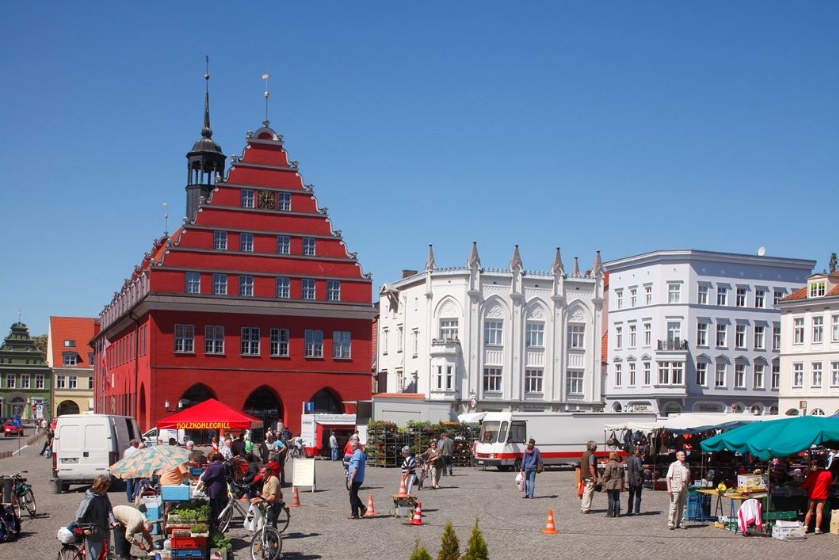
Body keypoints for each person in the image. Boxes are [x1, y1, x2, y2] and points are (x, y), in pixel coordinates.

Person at [76, 474, 117, 560]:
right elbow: (80, 516)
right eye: (107, 487)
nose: (107, 489)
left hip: (104, 530)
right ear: (101, 486)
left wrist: (113, 521)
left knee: (104, 554)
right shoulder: (91, 499)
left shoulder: (104, 495)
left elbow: (109, 509)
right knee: (94, 557)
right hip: (94, 532)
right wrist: (84, 529)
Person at [802, 456, 834, 534]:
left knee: (809, 511)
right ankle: (817, 528)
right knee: (819, 511)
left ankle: (806, 527)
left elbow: (805, 485)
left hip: (812, 494)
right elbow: (830, 483)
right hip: (822, 494)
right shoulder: (828, 474)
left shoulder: (812, 474)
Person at [200, 452, 228, 530]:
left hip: (213, 488)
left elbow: (205, 478)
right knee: (220, 506)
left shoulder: (211, 467)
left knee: (214, 507)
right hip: (222, 488)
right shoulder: (222, 465)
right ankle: (220, 521)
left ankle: (215, 524)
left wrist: (202, 478)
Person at [251, 463, 283, 528]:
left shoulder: (273, 480)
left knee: (270, 527)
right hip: (267, 506)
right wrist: (256, 498)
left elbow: (272, 497)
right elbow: (265, 495)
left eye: (263, 473)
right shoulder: (266, 480)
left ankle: (274, 538)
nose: (261, 475)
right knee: (265, 526)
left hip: (273, 506)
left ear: (269, 472)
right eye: (260, 473)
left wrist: (260, 501)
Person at [666, 450, 690, 530]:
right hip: (675, 487)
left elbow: (688, 475)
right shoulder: (673, 465)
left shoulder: (686, 465)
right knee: (674, 505)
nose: (684, 456)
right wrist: (669, 488)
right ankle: (671, 523)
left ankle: (680, 522)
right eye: (682, 455)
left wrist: (688, 483)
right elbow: (668, 477)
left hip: (684, 486)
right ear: (677, 457)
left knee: (683, 506)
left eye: (684, 455)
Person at [346, 440, 367, 519]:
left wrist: (351, 479)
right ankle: (362, 507)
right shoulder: (360, 453)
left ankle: (355, 513)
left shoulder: (357, 454)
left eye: (350, 446)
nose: (350, 448)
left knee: (353, 496)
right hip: (359, 478)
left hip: (356, 478)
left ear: (354, 446)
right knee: (353, 494)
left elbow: (356, 467)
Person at [602, 451, 625, 517]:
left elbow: (606, 474)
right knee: (617, 498)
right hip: (618, 482)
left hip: (611, 482)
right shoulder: (620, 464)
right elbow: (623, 475)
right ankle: (617, 513)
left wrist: (604, 480)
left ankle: (610, 513)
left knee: (611, 499)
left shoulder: (609, 464)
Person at [579, 440, 598, 514]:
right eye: (596, 446)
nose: (597, 448)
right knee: (589, 492)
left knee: (585, 492)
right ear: (593, 447)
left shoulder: (584, 454)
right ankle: (586, 508)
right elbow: (591, 466)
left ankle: (583, 507)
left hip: (584, 475)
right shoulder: (591, 455)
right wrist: (594, 476)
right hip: (589, 475)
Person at [625, 445, 644, 515]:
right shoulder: (637, 459)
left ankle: (629, 510)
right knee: (638, 496)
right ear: (635, 451)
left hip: (631, 479)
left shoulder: (628, 459)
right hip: (637, 479)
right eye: (638, 450)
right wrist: (644, 468)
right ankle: (637, 510)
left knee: (631, 496)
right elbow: (640, 469)